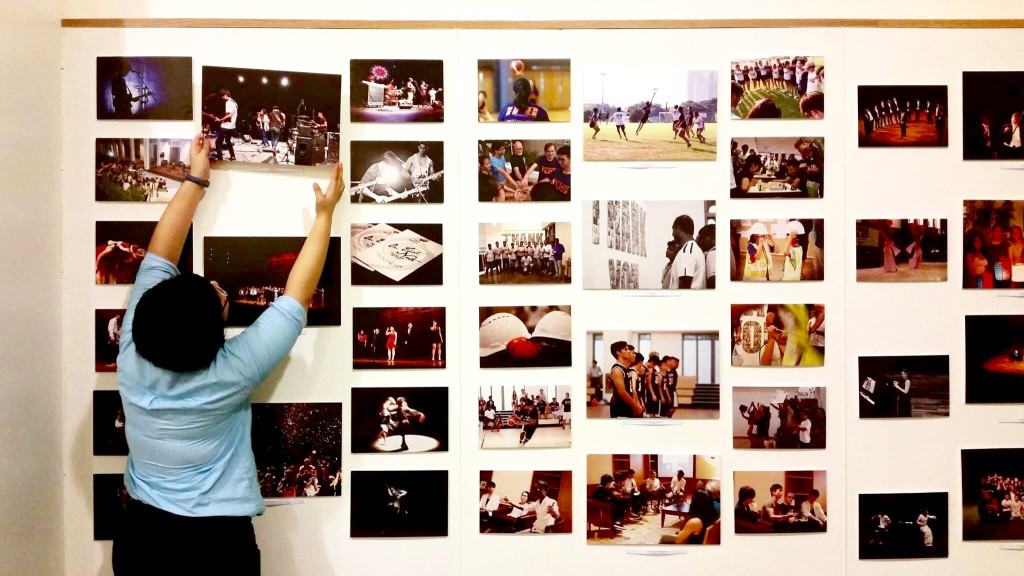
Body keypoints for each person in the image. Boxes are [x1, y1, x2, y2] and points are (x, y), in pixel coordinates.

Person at [112, 134, 344, 573]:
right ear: (214, 339)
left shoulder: (132, 346)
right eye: (217, 298)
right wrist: (324, 215)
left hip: (142, 536)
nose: (219, 287)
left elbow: (161, 251)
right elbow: (297, 297)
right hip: (218, 543)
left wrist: (197, 176)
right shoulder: (230, 372)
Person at [608, 341, 642, 418]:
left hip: (628, 404)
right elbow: (622, 392)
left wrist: (636, 403)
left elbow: (631, 389)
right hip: (620, 407)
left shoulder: (626, 368)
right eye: (626, 349)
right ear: (618, 352)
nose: (629, 351)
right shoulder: (617, 369)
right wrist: (635, 405)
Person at [210, 90, 238, 162]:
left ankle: (220, 160)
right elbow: (231, 116)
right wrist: (222, 119)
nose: (222, 98)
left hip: (225, 127)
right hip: (232, 126)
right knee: (228, 140)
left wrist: (219, 120)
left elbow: (229, 116)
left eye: (222, 96)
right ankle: (233, 156)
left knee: (218, 142)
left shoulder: (228, 103)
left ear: (225, 95)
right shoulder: (234, 102)